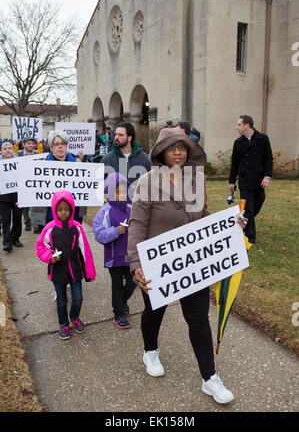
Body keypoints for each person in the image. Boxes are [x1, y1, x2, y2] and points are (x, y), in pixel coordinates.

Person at [127, 126, 247, 404]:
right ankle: (150, 350)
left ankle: (210, 378)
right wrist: (135, 263)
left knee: (198, 318)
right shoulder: (146, 181)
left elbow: (203, 215)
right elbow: (138, 225)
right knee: (154, 311)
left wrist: (230, 224)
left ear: (189, 149)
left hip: (193, 263)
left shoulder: (198, 179)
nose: (178, 152)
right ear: (161, 152)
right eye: (172, 147)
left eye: (182, 146)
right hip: (158, 263)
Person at [35, 191, 96, 339]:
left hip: (75, 271)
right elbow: (40, 247)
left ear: (72, 210)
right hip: (57, 272)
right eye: (60, 209)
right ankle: (63, 324)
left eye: (67, 209)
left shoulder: (77, 227)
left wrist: (89, 272)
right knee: (61, 301)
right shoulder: (49, 228)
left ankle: (74, 317)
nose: (63, 212)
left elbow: (85, 250)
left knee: (78, 298)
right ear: (54, 210)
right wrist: (50, 257)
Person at [93, 172, 136, 329]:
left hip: (130, 257)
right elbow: (99, 234)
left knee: (134, 281)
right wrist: (116, 231)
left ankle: (122, 303)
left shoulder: (132, 209)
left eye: (124, 191)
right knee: (117, 286)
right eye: (118, 192)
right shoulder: (104, 212)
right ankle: (118, 313)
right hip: (113, 257)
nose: (121, 195)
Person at [29, 130, 87, 233]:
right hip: (50, 216)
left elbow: (87, 186)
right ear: (51, 147)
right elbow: (34, 188)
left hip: (74, 215)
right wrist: (24, 198)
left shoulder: (77, 163)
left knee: (73, 246)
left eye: (63, 143)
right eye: (56, 144)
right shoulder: (42, 166)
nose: (60, 146)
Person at [229, 115, 273, 244]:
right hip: (245, 181)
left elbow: (268, 159)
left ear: (247, 125)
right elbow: (234, 163)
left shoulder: (263, 139)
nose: (237, 127)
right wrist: (232, 181)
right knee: (248, 209)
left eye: (239, 124)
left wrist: (267, 176)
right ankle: (250, 239)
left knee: (256, 207)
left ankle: (241, 223)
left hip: (259, 181)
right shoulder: (238, 143)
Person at [100, 122, 151, 201]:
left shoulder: (144, 158)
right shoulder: (107, 158)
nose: (116, 137)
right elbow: (100, 183)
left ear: (129, 138)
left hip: (138, 208)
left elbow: (152, 184)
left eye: (120, 135)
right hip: (116, 208)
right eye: (116, 134)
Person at [0, 142, 23, 251]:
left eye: (10, 148)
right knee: (5, 220)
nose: (8, 150)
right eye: (5, 149)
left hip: (18, 196)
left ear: (13, 150)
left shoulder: (21, 162)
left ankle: (15, 239)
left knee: (18, 219)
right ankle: (7, 242)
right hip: (3, 197)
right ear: (2, 151)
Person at [17, 138, 39, 231]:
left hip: (34, 183)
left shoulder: (38, 155)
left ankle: (35, 224)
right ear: (23, 145)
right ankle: (27, 222)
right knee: (25, 205)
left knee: (34, 204)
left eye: (32, 143)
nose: (30, 145)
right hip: (22, 183)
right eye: (28, 143)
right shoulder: (17, 155)